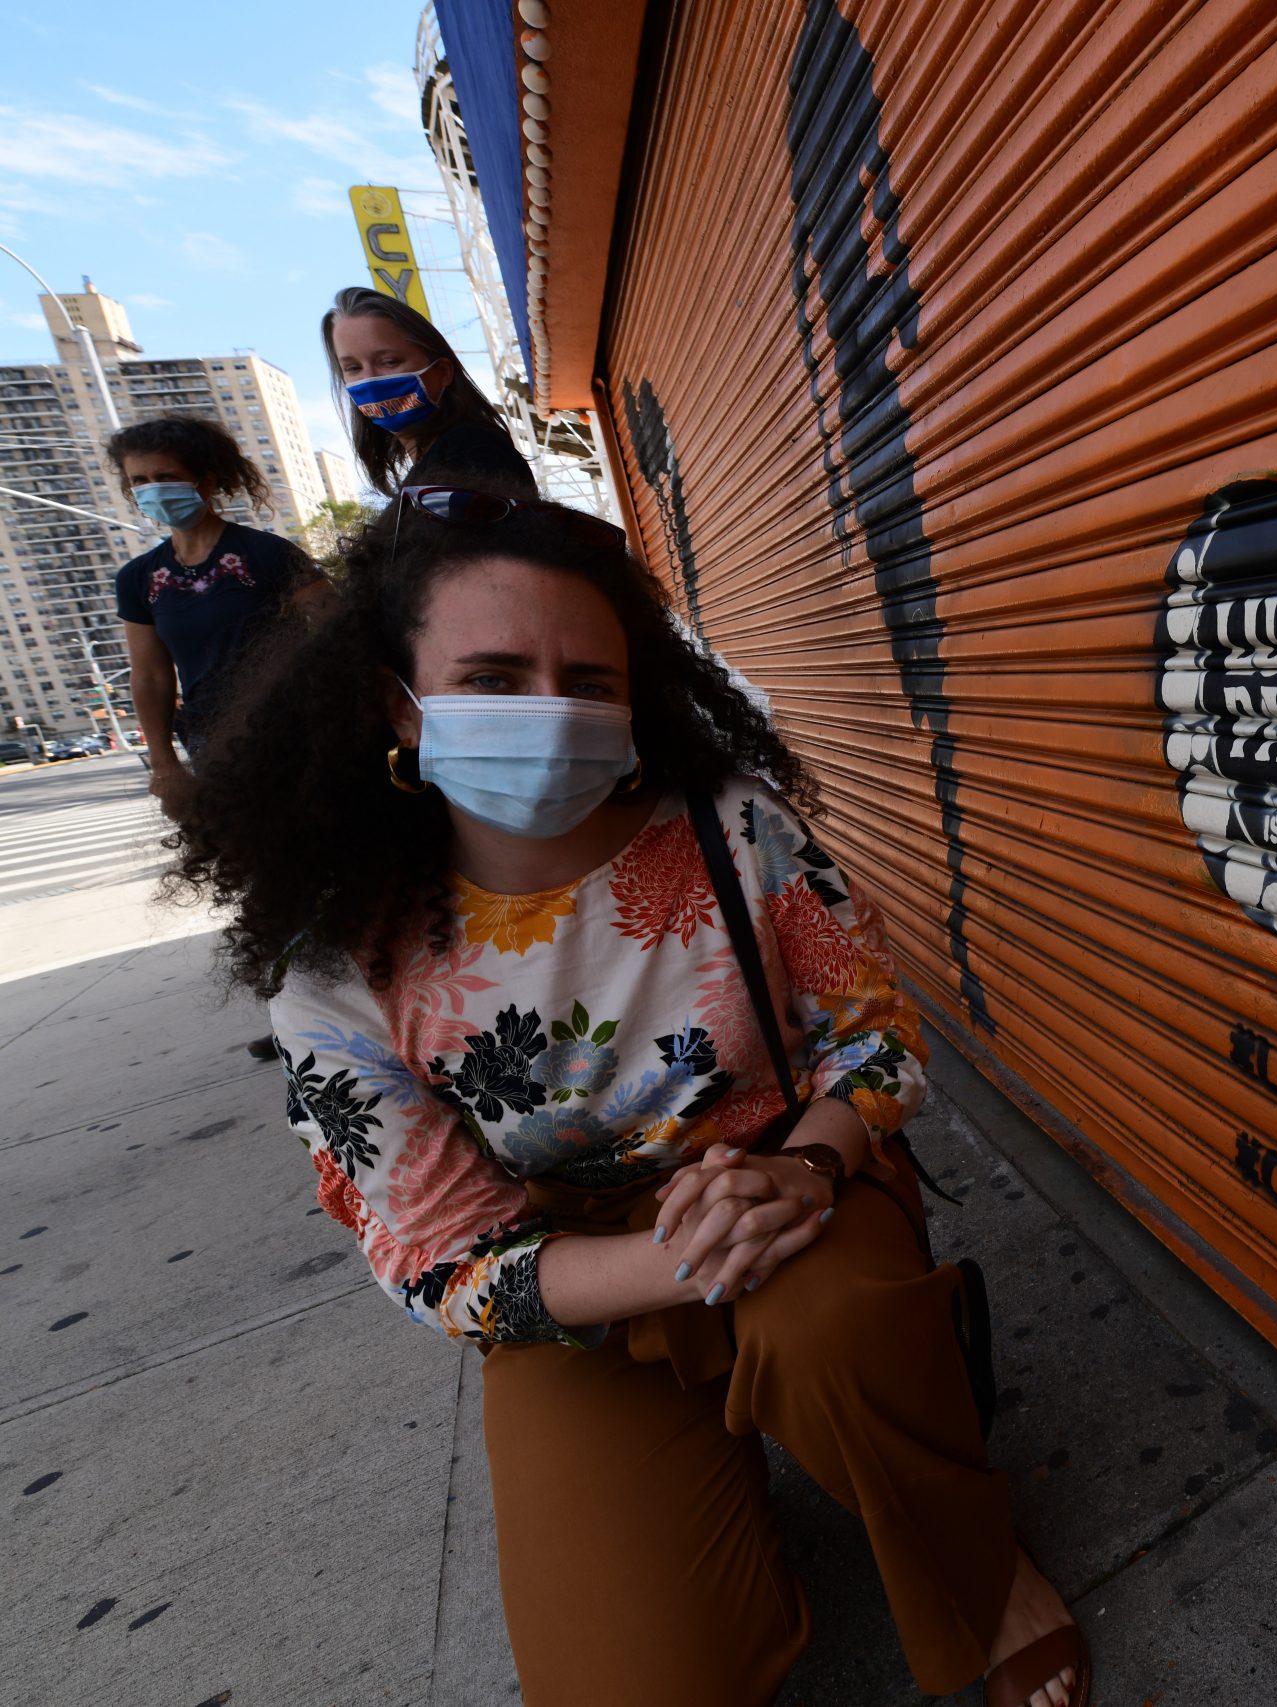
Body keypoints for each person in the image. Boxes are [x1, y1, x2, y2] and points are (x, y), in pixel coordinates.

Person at [168, 494, 1087, 1707]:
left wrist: (804, 1174)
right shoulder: (336, 965)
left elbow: (874, 1042)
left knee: (832, 1334)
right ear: (402, 706)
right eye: (491, 678)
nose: (547, 712)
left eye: (585, 679)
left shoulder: (731, 832)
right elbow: (442, 1263)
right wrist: (689, 1259)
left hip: (793, 1190)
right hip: (574, 1279)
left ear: (633, 699)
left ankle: (976, 1556)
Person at [108, 415, 322, 808]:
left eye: (164, 476)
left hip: (306, 736)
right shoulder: (137, 579)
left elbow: (342, 633)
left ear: (204, 481)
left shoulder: (269, 554)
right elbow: (152, 677)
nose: (150, 489)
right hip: (216, 749)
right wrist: (165, 764)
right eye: (139, 481)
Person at [323, 285, 537, 498]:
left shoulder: (471, 450)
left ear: (442, 371)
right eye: (353, 368)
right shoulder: (429, 467)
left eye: (389, 361)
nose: (369, 379)